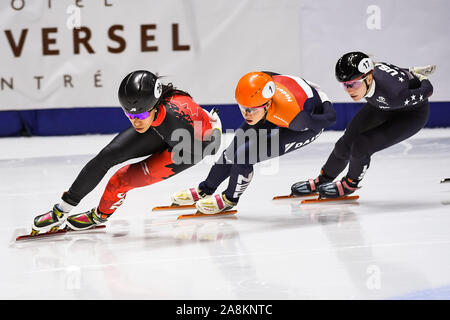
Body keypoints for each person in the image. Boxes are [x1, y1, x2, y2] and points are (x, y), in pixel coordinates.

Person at [31, 70, 221, 234]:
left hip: (191, 146)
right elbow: (144, 119)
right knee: (107, 156)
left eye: (140, 115)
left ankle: (100, 215)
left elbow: (210, 147)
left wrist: (215, 130)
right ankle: (61, 210)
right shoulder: (150, 110)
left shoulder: (177, 121)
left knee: (120, 180)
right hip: (160, 129)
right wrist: (65, 206)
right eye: (129, 115)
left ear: (154, 106)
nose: (135, 121)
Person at [171, 71, 337, 214]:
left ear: (267, 104)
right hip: (276, 110)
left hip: (307, 125)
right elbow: (274, 77)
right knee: (231, 152)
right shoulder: (260, 86)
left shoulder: (296, 118)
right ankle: (206, 189)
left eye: (251, 110)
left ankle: (230, 199)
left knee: (244, 156)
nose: (246, 114)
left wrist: (323, 98)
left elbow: (331, 118)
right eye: (242, 108)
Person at [291, 52, 435, 198]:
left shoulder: (394, 94)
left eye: (353, 84)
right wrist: (410, 71)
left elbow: (428, 90)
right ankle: (323, 180)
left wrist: (422, 78)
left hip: (410, 116)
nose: (349, 90)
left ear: (370, 77)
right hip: (381, 106)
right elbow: (392, 70)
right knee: (344, 144)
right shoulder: (373, 69)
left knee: (362, 146)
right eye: (344, 85)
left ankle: (349, 185)